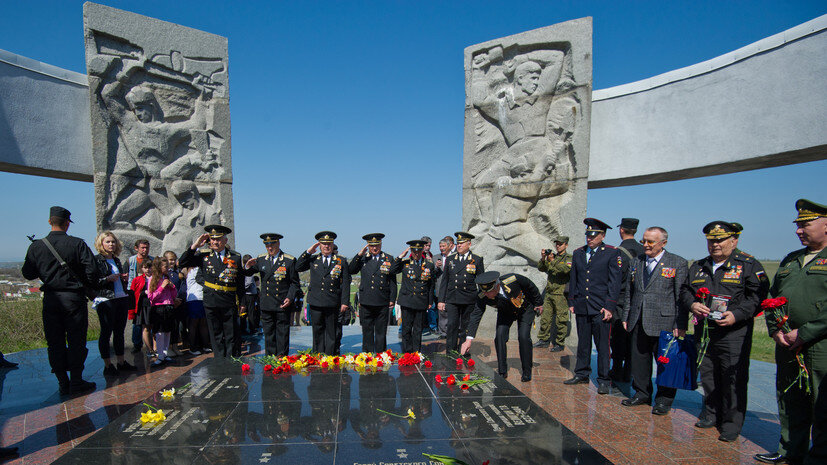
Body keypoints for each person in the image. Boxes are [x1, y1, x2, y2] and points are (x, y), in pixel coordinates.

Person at [681, 221, 768, 441]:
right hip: (705, 331)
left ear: (734, 240)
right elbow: (685, 291)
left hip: (734, 333)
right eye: (711, 240)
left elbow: (757, 297)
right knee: (708, 375)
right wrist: (692, 304)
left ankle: (731, 423)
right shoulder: (699, 266)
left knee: (733, 378)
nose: (715, 244)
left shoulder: (748, 265)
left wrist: (736, 314)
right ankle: (711, 414)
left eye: (720, 240)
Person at [755, 199, 827, 465]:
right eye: (798, 225)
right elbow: (772, 298)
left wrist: (804, 333)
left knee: (822, 402)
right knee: (789, 397)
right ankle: (789, 450)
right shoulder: (791, 259)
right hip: (786, 343)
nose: (798, 230)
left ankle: (820, 456)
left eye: (805, 224)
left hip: (820, 345)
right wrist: (776, 330)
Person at [21, 206, 99, 395]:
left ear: (50, 222)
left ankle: (63, 382)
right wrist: (85, 283)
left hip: (51, 298)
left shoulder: (37, 246)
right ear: (67, 224)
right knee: (76, 340)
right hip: (73, 298)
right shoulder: (77, 244)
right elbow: (92, 270)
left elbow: (28, 273)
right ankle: (76, 381)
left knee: (54, 341)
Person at [620, 226, 689, 412]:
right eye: (643, 241)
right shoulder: (636, 261)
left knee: (665, 363)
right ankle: (641, 393)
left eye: (651, 241)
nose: (646, 245)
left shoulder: (677, 263)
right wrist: (626, 315)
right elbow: (630, 293)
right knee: (639, 361)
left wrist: (680, 323)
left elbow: (681, 297)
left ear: (663, 243)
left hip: (664, 322)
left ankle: (664, 400)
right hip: (638, 319)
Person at [563, 218, 621, 394]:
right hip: (582, 305)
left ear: (602, 236)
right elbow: (574, 279)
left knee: (602, 345)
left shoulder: (611, 253)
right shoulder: (579, 253)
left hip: (600, 307)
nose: (590, 239)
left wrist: (609, 306)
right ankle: (582, 373)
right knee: (583, 343)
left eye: (593, 236)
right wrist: (572, 301)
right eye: (588, 235)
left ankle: (604, 379)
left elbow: (614, 283)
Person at [461, 271, 543, 381]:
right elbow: (476, 315)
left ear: (497, 286)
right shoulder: (482, 295)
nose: (486, 294)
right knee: (499, 337)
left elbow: (530, 285)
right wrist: (468, 340)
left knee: (523, 337)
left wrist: (538, 303)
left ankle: (527, 371)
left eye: (488, 292)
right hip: (505, 312)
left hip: (525, 309)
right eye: (484, 292)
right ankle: (502, 371)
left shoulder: (512, 279)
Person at [178, 225, 246, 357]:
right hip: (211, 300)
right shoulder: (203, 255)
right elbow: (182, 262)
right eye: (213, 239)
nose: (215, 242)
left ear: (225, 240)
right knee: (216, 333)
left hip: (228, 300)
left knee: (231, 333)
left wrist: (242, 302)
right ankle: (220, 360)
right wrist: (195, 246)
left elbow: (240, 282)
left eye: (218, 239)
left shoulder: (235, 257)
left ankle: (231, 360)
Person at [244, 233, 300, 356]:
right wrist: (247, 266)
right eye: (267, 245)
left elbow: (295, 283)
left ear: (278, 243)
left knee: (282, 333)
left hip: (282, 303)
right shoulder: (261, 259)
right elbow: (248, 273)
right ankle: (270, 358)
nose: (269, 248)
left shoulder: (289, 260)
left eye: (272, 245)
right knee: (268, 334)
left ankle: (282, 358)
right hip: (267, 303)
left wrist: (290, 297)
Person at [296, 231, 351, 355]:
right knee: (317, 331)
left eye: (329, 244)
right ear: (319, 245)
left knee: (331, 332)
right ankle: (318, 355)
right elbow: (298, 267)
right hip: (316, 301)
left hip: (332, 301)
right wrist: (308, 252)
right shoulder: (313, 259)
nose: (327, 246)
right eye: (324, 244)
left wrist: (345, 302)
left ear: (333, 245)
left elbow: (346, 283)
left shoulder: (341, 261)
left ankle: (330, 356)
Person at [92, 231, 136, 376]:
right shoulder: (96, 260)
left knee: (119, 332)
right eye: (108, 242)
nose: (111, 244)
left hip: (120, 297)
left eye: (113, 242)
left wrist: (123, 278)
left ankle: (121, 362)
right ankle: (108, 364)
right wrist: (107, 279)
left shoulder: (116, 260)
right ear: (101, 244)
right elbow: (93, 281)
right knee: (106, 332)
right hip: (106, 299)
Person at [349, 233, 397, 353]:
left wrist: (392, 298)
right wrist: (359, 255)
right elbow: (351, 270)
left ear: (381, 244)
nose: (374, 248)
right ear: (368, 246)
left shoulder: (388, 258)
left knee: (381, 331)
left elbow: (392, 281)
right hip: (366, 300)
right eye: (372, 246)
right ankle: (367, 354)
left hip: (382, 300)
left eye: (377, 245)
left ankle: (381, 354)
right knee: (367, 331)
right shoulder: (363, 258)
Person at [438, 232, 485, 354]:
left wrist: (481, 299)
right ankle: (450, 351)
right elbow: (444, 281)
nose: (459, 245)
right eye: (458, 243)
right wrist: (441, 300)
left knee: (465, 326)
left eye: (462, 243)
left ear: (469, 244)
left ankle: (463, 351)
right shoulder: (450, 259)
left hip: (468, 298)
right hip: (453, 298)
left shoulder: (476, 259)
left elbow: (481, 281)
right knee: (452, 325)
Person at [611, 218, 645, 383]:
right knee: (634, 338)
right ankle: (629, 371)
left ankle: (617, 370)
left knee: (618, 337)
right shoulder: (643, 250)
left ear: (621, 230)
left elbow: (615, 278)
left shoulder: (618, 252)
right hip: (637, 300)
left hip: (621, 300)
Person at [391, 240, 436, 353]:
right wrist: (400, 257)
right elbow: (392, 270)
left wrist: (430, 301)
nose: (416, 254)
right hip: (407, 300)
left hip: (421, 300)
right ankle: (407, 352)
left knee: (418, 329)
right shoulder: (405, 263)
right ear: (411, 251)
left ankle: (416, 352)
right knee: (406, 328)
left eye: (419, 251)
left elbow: (431, 285)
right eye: (414, 251)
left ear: (422, 251)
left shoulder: (429, 265)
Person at [535, 236, 572, 352]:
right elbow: (541, 268)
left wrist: (552, 261)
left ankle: (559, 343)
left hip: (561, 294)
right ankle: (544, 340)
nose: (558, 246)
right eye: (557, 244)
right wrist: (543, 258)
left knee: (561, 320)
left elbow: (564, 270)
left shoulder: (569, 258)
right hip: (550, 293)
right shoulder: (553, 257)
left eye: (560, 244)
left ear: (566, 245)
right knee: (545, 318)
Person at [146, 257, 177, 366]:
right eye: (165, 266)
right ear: (159, 267)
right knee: (160, 332)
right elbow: (151, 297)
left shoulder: (166, 278)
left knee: (168, 331)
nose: (168, 268)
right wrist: (162, 287)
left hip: (169, 306)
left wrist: (172, 287)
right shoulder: (153, 279)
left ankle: (165, 353)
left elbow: (174, 295)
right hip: (159, 308)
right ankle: (160, 355)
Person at [127, 239, 153, 353]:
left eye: (147, 248)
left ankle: (151, 345)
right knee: (137, 321)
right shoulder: (131, 261)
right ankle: (137, 344)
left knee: (150, 321)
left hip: (150, 294)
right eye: (142, 248)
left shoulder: (152, 260)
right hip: (136, 293)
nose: (145, 250)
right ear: (136, 248)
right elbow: (127, 274)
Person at [183, 266, 211, 355]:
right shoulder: (192, 270)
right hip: (194, 299)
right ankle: (193, 347)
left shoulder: (201, 268)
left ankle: (205, 345)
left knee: (203, 323)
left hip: (204, 298)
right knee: (193, 323)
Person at [129, 260, 155, 355]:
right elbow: (133, 293)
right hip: (143, 305)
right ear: (141, 268)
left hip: (154, 305)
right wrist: (144, 292)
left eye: (150, 267)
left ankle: (156, 349)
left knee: (155, 328)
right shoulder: (137, 279)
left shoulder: (156, 278)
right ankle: (149, 349)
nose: (148, 269)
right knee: (145, 327)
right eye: (145, 267)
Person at [434, 236, 455, 337]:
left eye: (443, 246)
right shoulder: (435, 257)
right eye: (440, 246)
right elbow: (431, 273)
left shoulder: (455, 256)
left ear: (449, 246)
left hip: (452, 288)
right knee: (442, 311)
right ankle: (443, 332)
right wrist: (436, 267)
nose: (442, 248)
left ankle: (454, 331)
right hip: (440, 288)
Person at [420, 236, 438, 335]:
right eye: (426, 245)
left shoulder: (430, 255)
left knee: (432, 306)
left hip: (430, 284)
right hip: (421, 285)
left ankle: (433, 326)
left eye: (429, 246)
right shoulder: (418, 253)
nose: (428, 247)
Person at [241, 254, 259, 335]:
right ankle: (252, 328)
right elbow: (248, 282)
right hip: (249, 294)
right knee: (250, 312)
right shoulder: (248, 271)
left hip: (248, 293)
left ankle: (246, 328)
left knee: (247, 312)